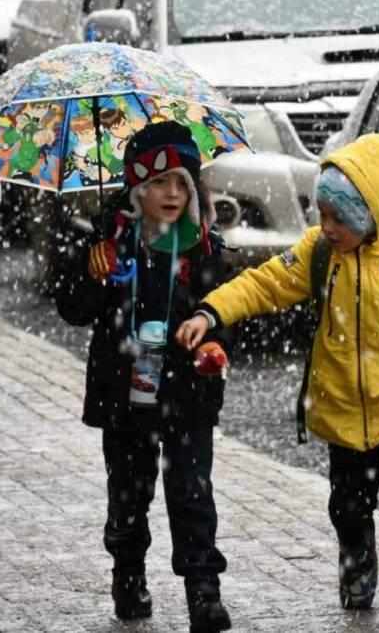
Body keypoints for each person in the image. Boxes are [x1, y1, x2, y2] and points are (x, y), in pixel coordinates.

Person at [176, 133, 379, 633]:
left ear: (369, 215)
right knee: (348, 505)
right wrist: (212, 311)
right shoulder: (319, 254)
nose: (327, 226)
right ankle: (358, 564)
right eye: (322, 214)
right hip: (340, 406)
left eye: (339, 218)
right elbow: (265, 282)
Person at [54, 120, 233, 632]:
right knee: (130, 493)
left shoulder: (204, 246)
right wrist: (89, 272)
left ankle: (203, 590)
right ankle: (127, 572)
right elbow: (73, 308)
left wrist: (215, 344)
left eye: (181, 183)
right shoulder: (111, 244)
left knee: (192, 491)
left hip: (188, 394)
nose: (171, 194)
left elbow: (225, 311)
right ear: (137, 189)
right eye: (159, 183)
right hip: (124, 395)